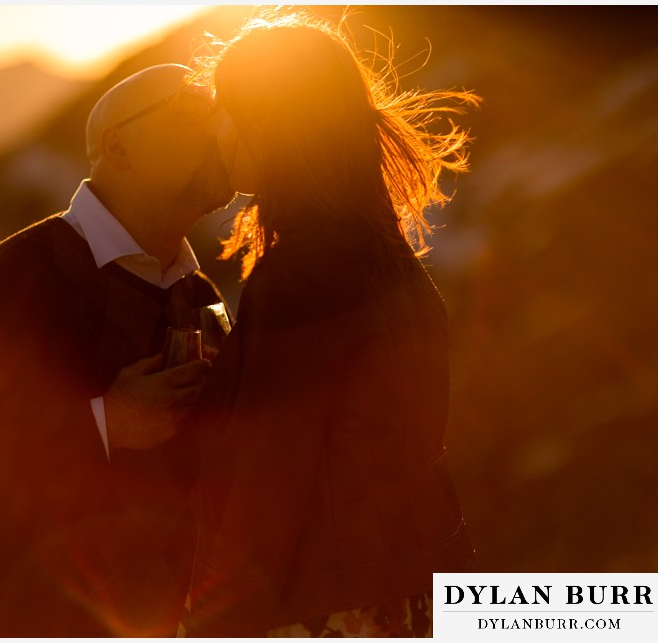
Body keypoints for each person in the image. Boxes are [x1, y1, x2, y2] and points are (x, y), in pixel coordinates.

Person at [0, 64, 235, 637]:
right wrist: (109, 423)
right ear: (118, 147)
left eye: (220, 115)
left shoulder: (197, 293)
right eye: (190, 116)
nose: (219, 131)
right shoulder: (16, 276)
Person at [181, 11, 479, 637]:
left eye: (226, 108)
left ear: (269, 122)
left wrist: (215, 622)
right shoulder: (384, 258)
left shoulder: (298, 279)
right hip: (416, 590)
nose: (217, 131)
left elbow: (265, 484)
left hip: (336, 606)